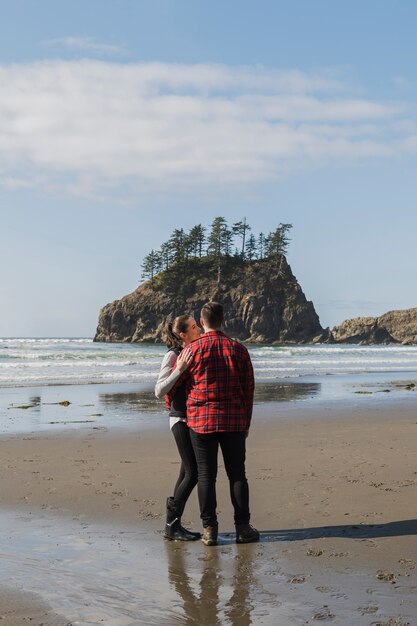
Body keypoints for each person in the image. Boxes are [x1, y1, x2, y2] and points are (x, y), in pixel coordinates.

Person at [173, 301, 259, 546]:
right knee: (237, 475)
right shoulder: (239, 350)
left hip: (200, 422)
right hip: (233, 420)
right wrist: (246, 423)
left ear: (202, 322)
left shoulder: (192, 350)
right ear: (223, 320)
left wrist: (183, 410)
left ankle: (209, 529)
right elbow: (249, 390)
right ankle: (242, 528)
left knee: (206, 476)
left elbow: (176, 386)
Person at [155, 315, 201, 541]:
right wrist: (179, 369)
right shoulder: (173, 355)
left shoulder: (196, 351)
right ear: (183, 334)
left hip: (194, 418)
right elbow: (158, 390)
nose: (199, 328)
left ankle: (174, 526)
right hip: (180, 419)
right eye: (193, 327)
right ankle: (171, 525)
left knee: (185, 471)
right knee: (193, 473)